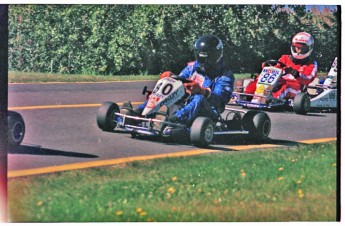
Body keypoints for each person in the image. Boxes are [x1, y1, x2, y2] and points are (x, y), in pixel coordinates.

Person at [123, 35, 234, 128]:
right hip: (184, 104)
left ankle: (172, 121)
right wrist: (169, 77)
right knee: (164, 90)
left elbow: (220, 99)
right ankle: (137, 114)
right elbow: (179, 80)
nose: (204, 62)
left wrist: (202, 91)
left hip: (208, 113)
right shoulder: (192, 68)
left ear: (217, 55)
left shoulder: (225, 75)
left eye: (207, 58)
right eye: (201, 58)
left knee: (198, 98)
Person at [244, 32, 318, 100]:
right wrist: (267, 67)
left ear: (309, 48)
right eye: (296, 47)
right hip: (279, 82)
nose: (298, 50)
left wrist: (294, 73)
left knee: (285, 88)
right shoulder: (285, 58)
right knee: (256, 82)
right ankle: (247, 95)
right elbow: (276, 68)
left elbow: (308, 78)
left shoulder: (311, 64)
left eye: (302, 48)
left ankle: (272, 99)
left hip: (296, 88)